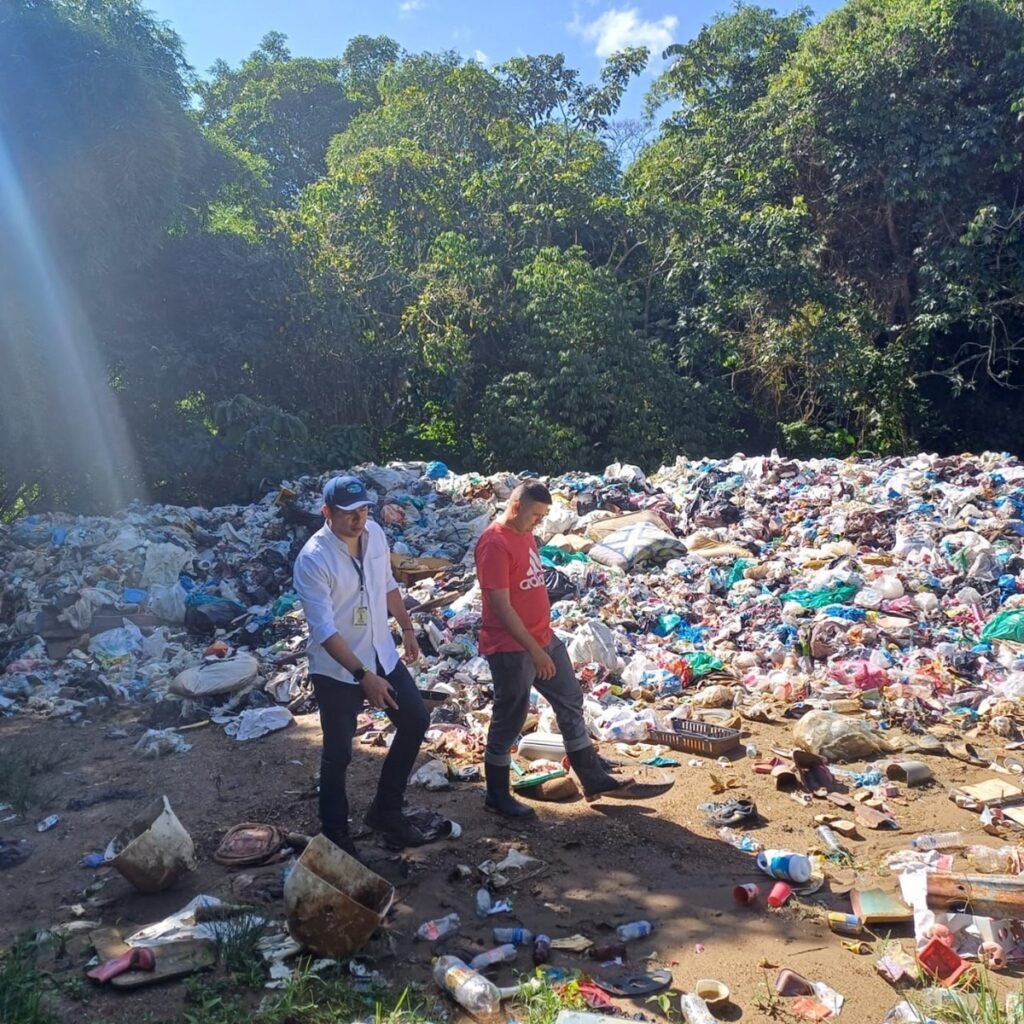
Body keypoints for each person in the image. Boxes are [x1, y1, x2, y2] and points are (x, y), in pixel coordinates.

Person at [474, 479, 631, 818]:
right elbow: (500, 605)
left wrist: (543, 640)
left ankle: (592, 776)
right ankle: (496, 796)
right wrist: (534, 650)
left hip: (543, 637)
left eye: (544, 515)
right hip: (512, 647)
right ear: (516, 507)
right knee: (509, 718)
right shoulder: (494, 543)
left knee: (570, 698)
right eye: (535, 514)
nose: (539, 522)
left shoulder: (526, 533)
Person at [293, 474, 429, 853]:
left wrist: (407, 628)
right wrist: (361, 676)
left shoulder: (375, 536)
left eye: (364, 510)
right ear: (327, 513)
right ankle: (335, 835)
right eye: (349, 513)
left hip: (380, 652)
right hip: (337, 669)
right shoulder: (313, 559)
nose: (359, 519)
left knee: (415, 719)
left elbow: (387, 584)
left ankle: (386, 809)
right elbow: (323, 629)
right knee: (339, 752)